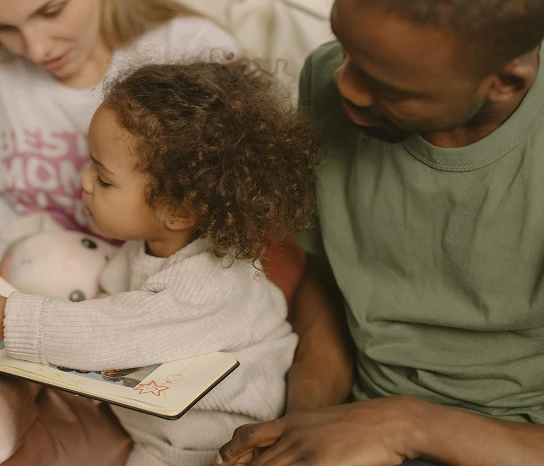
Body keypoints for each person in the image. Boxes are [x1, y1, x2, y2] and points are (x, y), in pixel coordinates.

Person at [0, 57, 321, 466]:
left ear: (179, 210)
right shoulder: (152, 243)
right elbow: (104, 302)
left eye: (104, 177)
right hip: (139, 414)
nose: (84, 182)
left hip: (201, 442)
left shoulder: (209, 285)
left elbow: (101, 332)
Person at [216, 0, 544, 465]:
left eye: (388, 86)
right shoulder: (334, 83)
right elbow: (330, 279)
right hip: (361, 418)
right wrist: (305, 422)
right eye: (344, 46)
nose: (343, 83)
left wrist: (405, 424)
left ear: (504, 82)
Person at [0, 0, 238, 268]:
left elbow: (230, 212)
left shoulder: (192, 49)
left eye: (51, 11)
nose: (37, 49)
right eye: (4, 28)